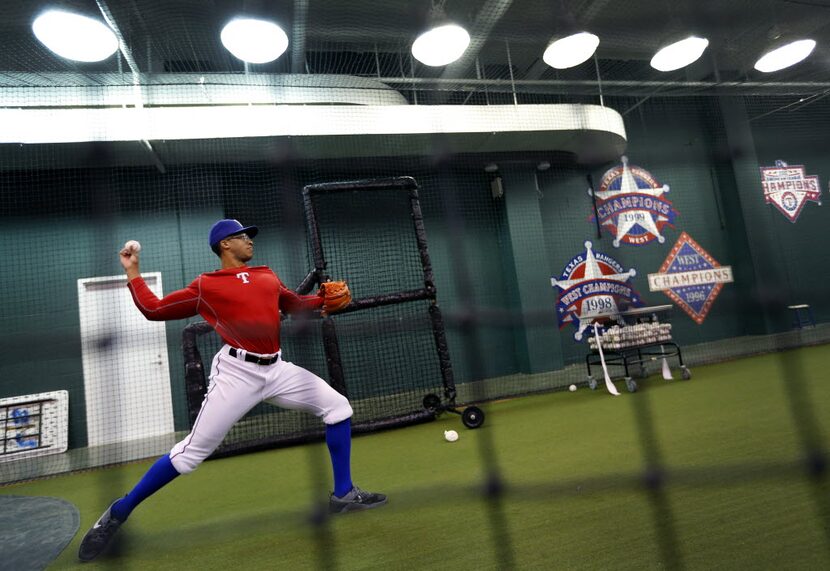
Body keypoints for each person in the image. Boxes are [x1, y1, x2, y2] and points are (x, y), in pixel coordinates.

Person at [78, 219, 386, 562]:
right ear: (225, 244)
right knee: (190, 455)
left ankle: (343, 494)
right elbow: (155, 310)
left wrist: (323, 302)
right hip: (236, 374)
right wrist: (133, 272)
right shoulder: (206, 285)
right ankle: (118, 513)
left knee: (338, 408)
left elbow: (292, 303)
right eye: (242, 236)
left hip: (277, 368)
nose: (249, 241)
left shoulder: (266, 275)